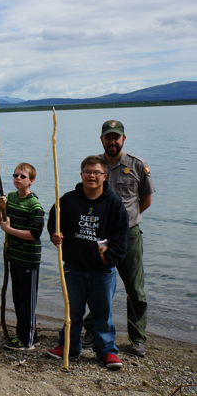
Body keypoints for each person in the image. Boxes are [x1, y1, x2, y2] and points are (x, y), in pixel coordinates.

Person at [46, 155, 129, 370]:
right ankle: (68, 347)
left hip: (103, 272)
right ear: (81, 174)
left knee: (103, 314)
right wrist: (55, 235)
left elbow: (120, 240)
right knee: (71, 313)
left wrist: (106, 259)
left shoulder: (114, 204)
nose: (91, 176)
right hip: (73, 269)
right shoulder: (67, 200)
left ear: (104, 176)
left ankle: (107, 351)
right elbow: (54, 222)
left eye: (96, 172)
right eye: (87, 172)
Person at [82, 120, 156, 357]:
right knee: (98, 282)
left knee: (135, 287)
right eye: (108, 137)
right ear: (101, 139)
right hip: (101, 238)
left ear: (123, 139)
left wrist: (123, 224)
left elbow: (145, 200)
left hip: (129, 236)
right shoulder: (95, 165)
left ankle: (137, 338)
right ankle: (92, 329)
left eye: (116, 137)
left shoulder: (137, 164)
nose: (112, 142)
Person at [0, 163, 45, 350]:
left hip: (28, 259)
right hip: (13, 256)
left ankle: (27, 340)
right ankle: (28, 334)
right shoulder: (11, 197)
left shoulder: (34, 204)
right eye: (15, 175)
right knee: (18, 298)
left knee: (27, 301)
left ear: (31, 181)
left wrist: (9, 230)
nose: (18, 178)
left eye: (23, 176)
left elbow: (34, 234)